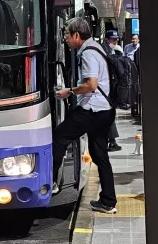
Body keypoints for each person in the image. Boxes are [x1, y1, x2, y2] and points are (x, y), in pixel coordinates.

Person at [52, 17, 117, 214]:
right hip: (104, 110)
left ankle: (51, 181)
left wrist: (69, 91)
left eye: (66, 35)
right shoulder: (96, 48)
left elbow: (91, 85)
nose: (65, 39)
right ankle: (108, 201)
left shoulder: (87, 54)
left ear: (76, 35)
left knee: (59, 137)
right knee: (99, 154)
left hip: (92, 110)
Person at [100, 29, 124, 151]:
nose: (115, 41)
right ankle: (111, 141)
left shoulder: (111, 49)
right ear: (106, 40)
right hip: (105, 89)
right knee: (108, 115)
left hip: (108, 88)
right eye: (113, 39)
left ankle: (111, 140)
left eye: (116, 39)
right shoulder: (104, 50)